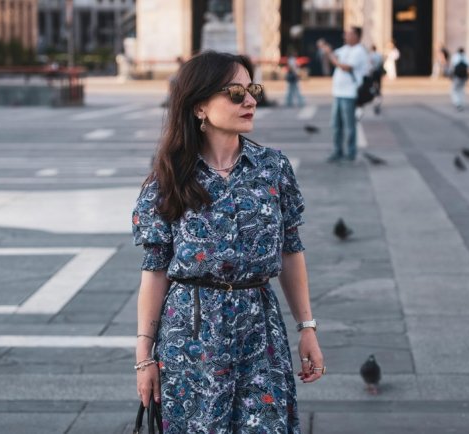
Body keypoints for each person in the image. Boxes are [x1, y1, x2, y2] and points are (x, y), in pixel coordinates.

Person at [132, 51, 324, 433]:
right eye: (236, 92)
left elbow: (290, 249)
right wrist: (144, 356)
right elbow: (154, 273)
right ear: (200, 106)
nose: (251, 100)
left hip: (260, 331)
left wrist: (307, 327)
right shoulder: (169, 179)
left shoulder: (273, 167)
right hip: (191, 338)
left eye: (252, 89)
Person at [321, 27, 370, 162]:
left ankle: (350, 152)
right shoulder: (345, 49)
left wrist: (331, 56)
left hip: (350, 93)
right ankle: (338, 151)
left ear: (356, 35)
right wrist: (327, 51)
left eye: (348, 34)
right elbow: (334, 56)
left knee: (349, 125)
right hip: (338, 92)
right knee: (336, 124)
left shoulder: (359, 51)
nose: (345, 36)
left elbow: (345, 66)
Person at [449, 47, 469, 111]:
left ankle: (457, 103)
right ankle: (462, 103)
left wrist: (451, 76)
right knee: (462, 90)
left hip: (457, 76)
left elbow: (452, 67)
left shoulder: (455, 57)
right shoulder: (466, 57)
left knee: (454, 90)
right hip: (464, 77)